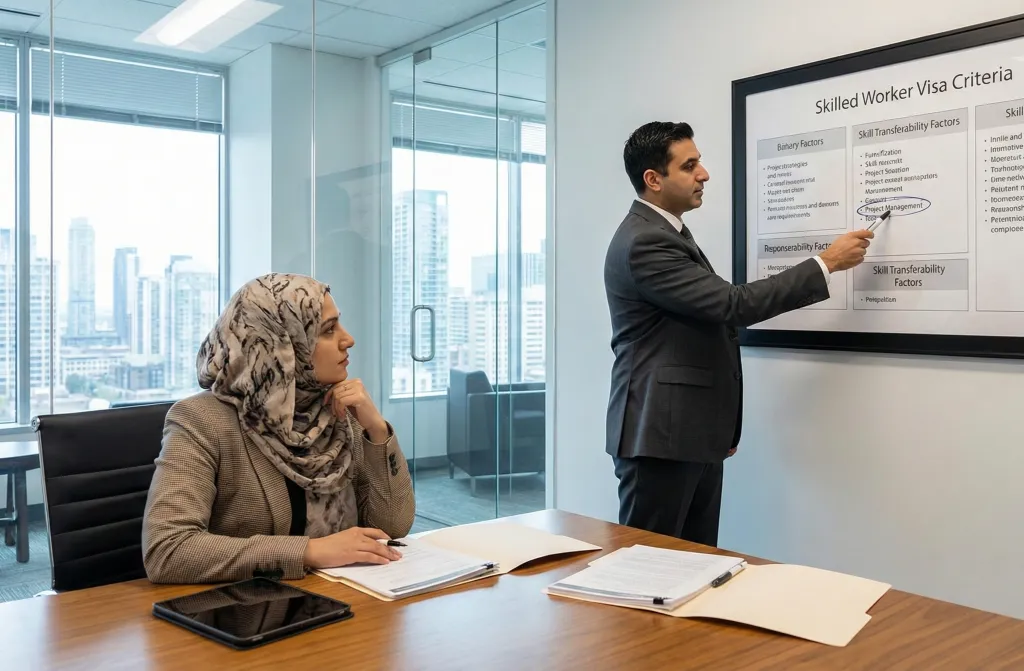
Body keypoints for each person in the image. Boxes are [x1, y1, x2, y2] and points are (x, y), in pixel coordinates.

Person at [603, 121, 872, 546]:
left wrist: (720, 429)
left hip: (688, 434)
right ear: (653, 179)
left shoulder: (666, 232)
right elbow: (732, 305)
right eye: (689, 166)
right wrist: (826, 263)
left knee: (694, 565)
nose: (704, 174)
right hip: (659, 437)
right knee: (648, 568)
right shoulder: (645, 241)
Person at [142, 272, 415, 583]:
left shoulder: (336, 411)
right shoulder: (202, 420)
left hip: (340, 594)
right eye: (328, 330)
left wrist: (377, 431)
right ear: (280, 344)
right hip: (248, 604)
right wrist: (308, 552)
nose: (348, 339)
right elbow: (168, 551)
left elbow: (392, 527)